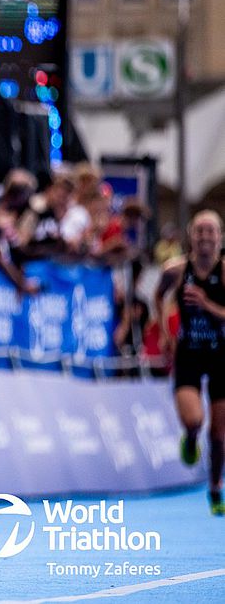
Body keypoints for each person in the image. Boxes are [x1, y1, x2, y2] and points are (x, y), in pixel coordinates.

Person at [153, 210, 225, 516]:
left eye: (211, 231)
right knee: (195, 420)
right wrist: (166, 334)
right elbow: (157, 297)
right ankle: (191, 437)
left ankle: (214, 488)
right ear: (191, 236)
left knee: (219, 434)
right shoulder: (176, 271)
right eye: (200, 231)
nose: (206, 237)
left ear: (220, 238)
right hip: (189, 355)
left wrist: (207, 304)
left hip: (221, 355)